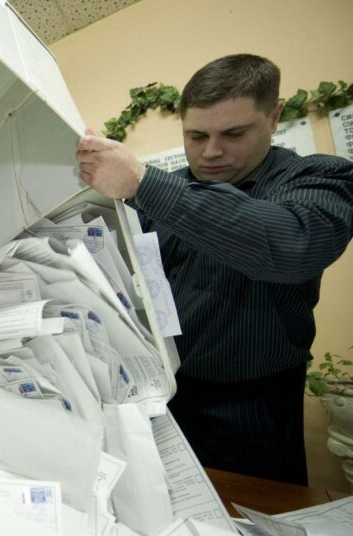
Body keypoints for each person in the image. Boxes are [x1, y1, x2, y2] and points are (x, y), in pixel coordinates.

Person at [75, 53, 353, 485]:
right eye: (196, 135)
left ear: (275, 116)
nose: (212, 152)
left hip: (252, 406)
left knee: (248, 512)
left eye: (234, 133)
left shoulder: (317, 179)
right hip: (161, 393)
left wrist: (142, 184)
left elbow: (290, 245)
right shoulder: (169, 192)